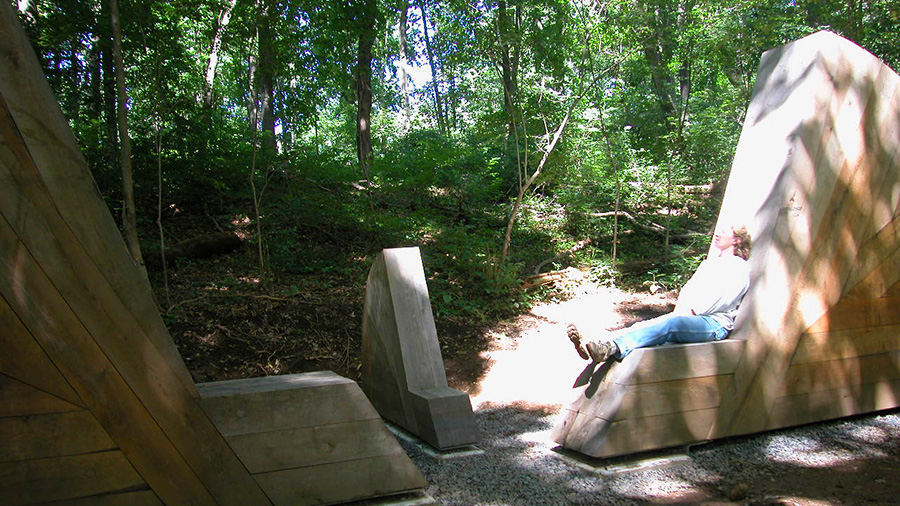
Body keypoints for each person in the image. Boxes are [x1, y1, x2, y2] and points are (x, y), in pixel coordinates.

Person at [568, 225, 752, 363]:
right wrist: (683, 308)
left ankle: (612, 347)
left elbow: (723, 298)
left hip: (714, 323)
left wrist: (694, 311)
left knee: (671, 324)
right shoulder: (710, 263)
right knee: (650, 324)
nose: (718, 233)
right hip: (691, 316)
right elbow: (690, 289)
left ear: (736, 240)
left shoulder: (738, 267)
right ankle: (599, 342)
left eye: (725, 231)